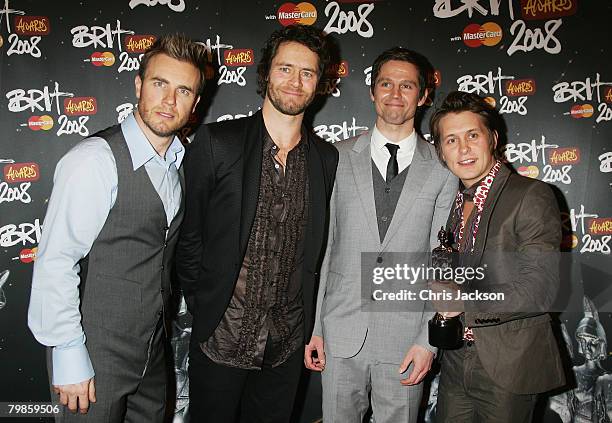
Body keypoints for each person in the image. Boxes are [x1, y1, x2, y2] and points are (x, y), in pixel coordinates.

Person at [27, 33, 206, 421]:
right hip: (93, 354)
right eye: (160, 84)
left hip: (151, 353)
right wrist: (69, 351)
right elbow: (56, 260)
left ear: (195, 102)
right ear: (139, 85)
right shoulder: (94, 161)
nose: (169, 101)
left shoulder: (180, 164)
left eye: (184, 90)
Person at [175, 24, 338, 422]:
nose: (295, 82)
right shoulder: (217, 143)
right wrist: (208, 305)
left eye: (307, 73)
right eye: (285, 69)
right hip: (221, 337)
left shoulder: (325, 160)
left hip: (285, 346)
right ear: (266, 74)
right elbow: (188, 238)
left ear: (319, 84)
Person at [304, 47, 457, 423]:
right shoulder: (335, 157)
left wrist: (428, 341)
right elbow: (325, 249)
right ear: (372, 90)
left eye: (407, 86)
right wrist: (317, 327)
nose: (394, 94)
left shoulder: (442, 167)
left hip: (406, 338)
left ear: (423, 96)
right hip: (341, 332)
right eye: (386, 83)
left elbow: (444, 263)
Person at [429, 91, 565, 422]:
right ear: (441, 152)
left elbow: (540, 289)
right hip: (455, 359)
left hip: (509, 365)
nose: (462, 149)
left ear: (492, 138)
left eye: (472, 135)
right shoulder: (455, 202)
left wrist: (464, 300)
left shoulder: (531, 195)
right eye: (451, 140)